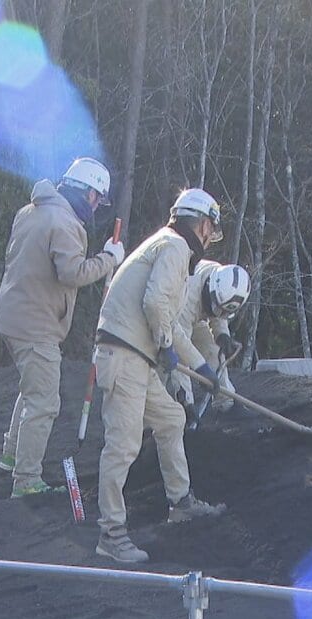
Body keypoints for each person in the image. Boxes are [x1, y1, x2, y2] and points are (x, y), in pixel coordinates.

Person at [93, 188, 228, 563]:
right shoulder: (175, 247)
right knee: (123, 446)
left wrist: (201, 367)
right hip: (124, 355)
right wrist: (165, 343)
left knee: (171, 419)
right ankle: (111, 533)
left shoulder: (169, 247)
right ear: (202, 224)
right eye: (210, 229)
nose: (209, 237)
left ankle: (180, 502)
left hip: (137, 356)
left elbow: (169, 321)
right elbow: (154, 304)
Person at [0, 158, 126, 498]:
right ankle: (26, 480)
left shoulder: (31, 211)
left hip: (13, 316)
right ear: (89, 193)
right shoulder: (64, 222)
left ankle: (11, 456)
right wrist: (109, 259)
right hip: (35, 325)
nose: (96, 207)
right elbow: (73, 273)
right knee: (44, 402)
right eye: (98, 199)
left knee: (31, 389)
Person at [165, 261, 250, 420]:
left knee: (213, 351)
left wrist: (222, 334)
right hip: (168, 319)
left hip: (195, 317)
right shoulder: (187, 296)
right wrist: (186, 401)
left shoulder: (219, 279)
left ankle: (226, 403)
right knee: (170, 365)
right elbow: (179, 351)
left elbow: (219, 309)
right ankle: (178, 408)